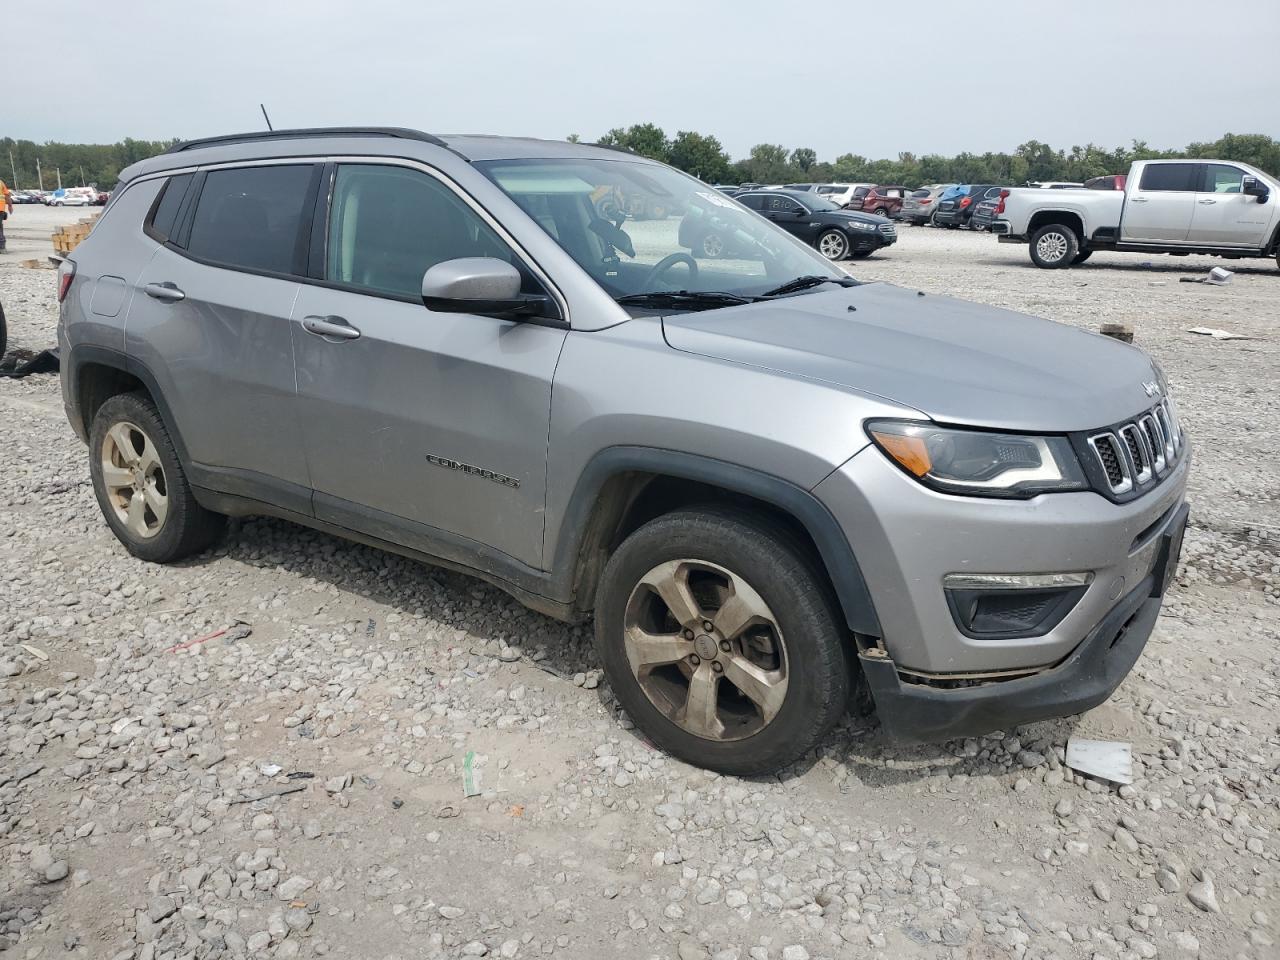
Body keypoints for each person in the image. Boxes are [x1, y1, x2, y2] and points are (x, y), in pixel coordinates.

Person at [0, 177, 11, 253]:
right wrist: (10, 206)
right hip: (1, 208)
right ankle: (2, 247)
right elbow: (7, 195)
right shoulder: (1, 182)